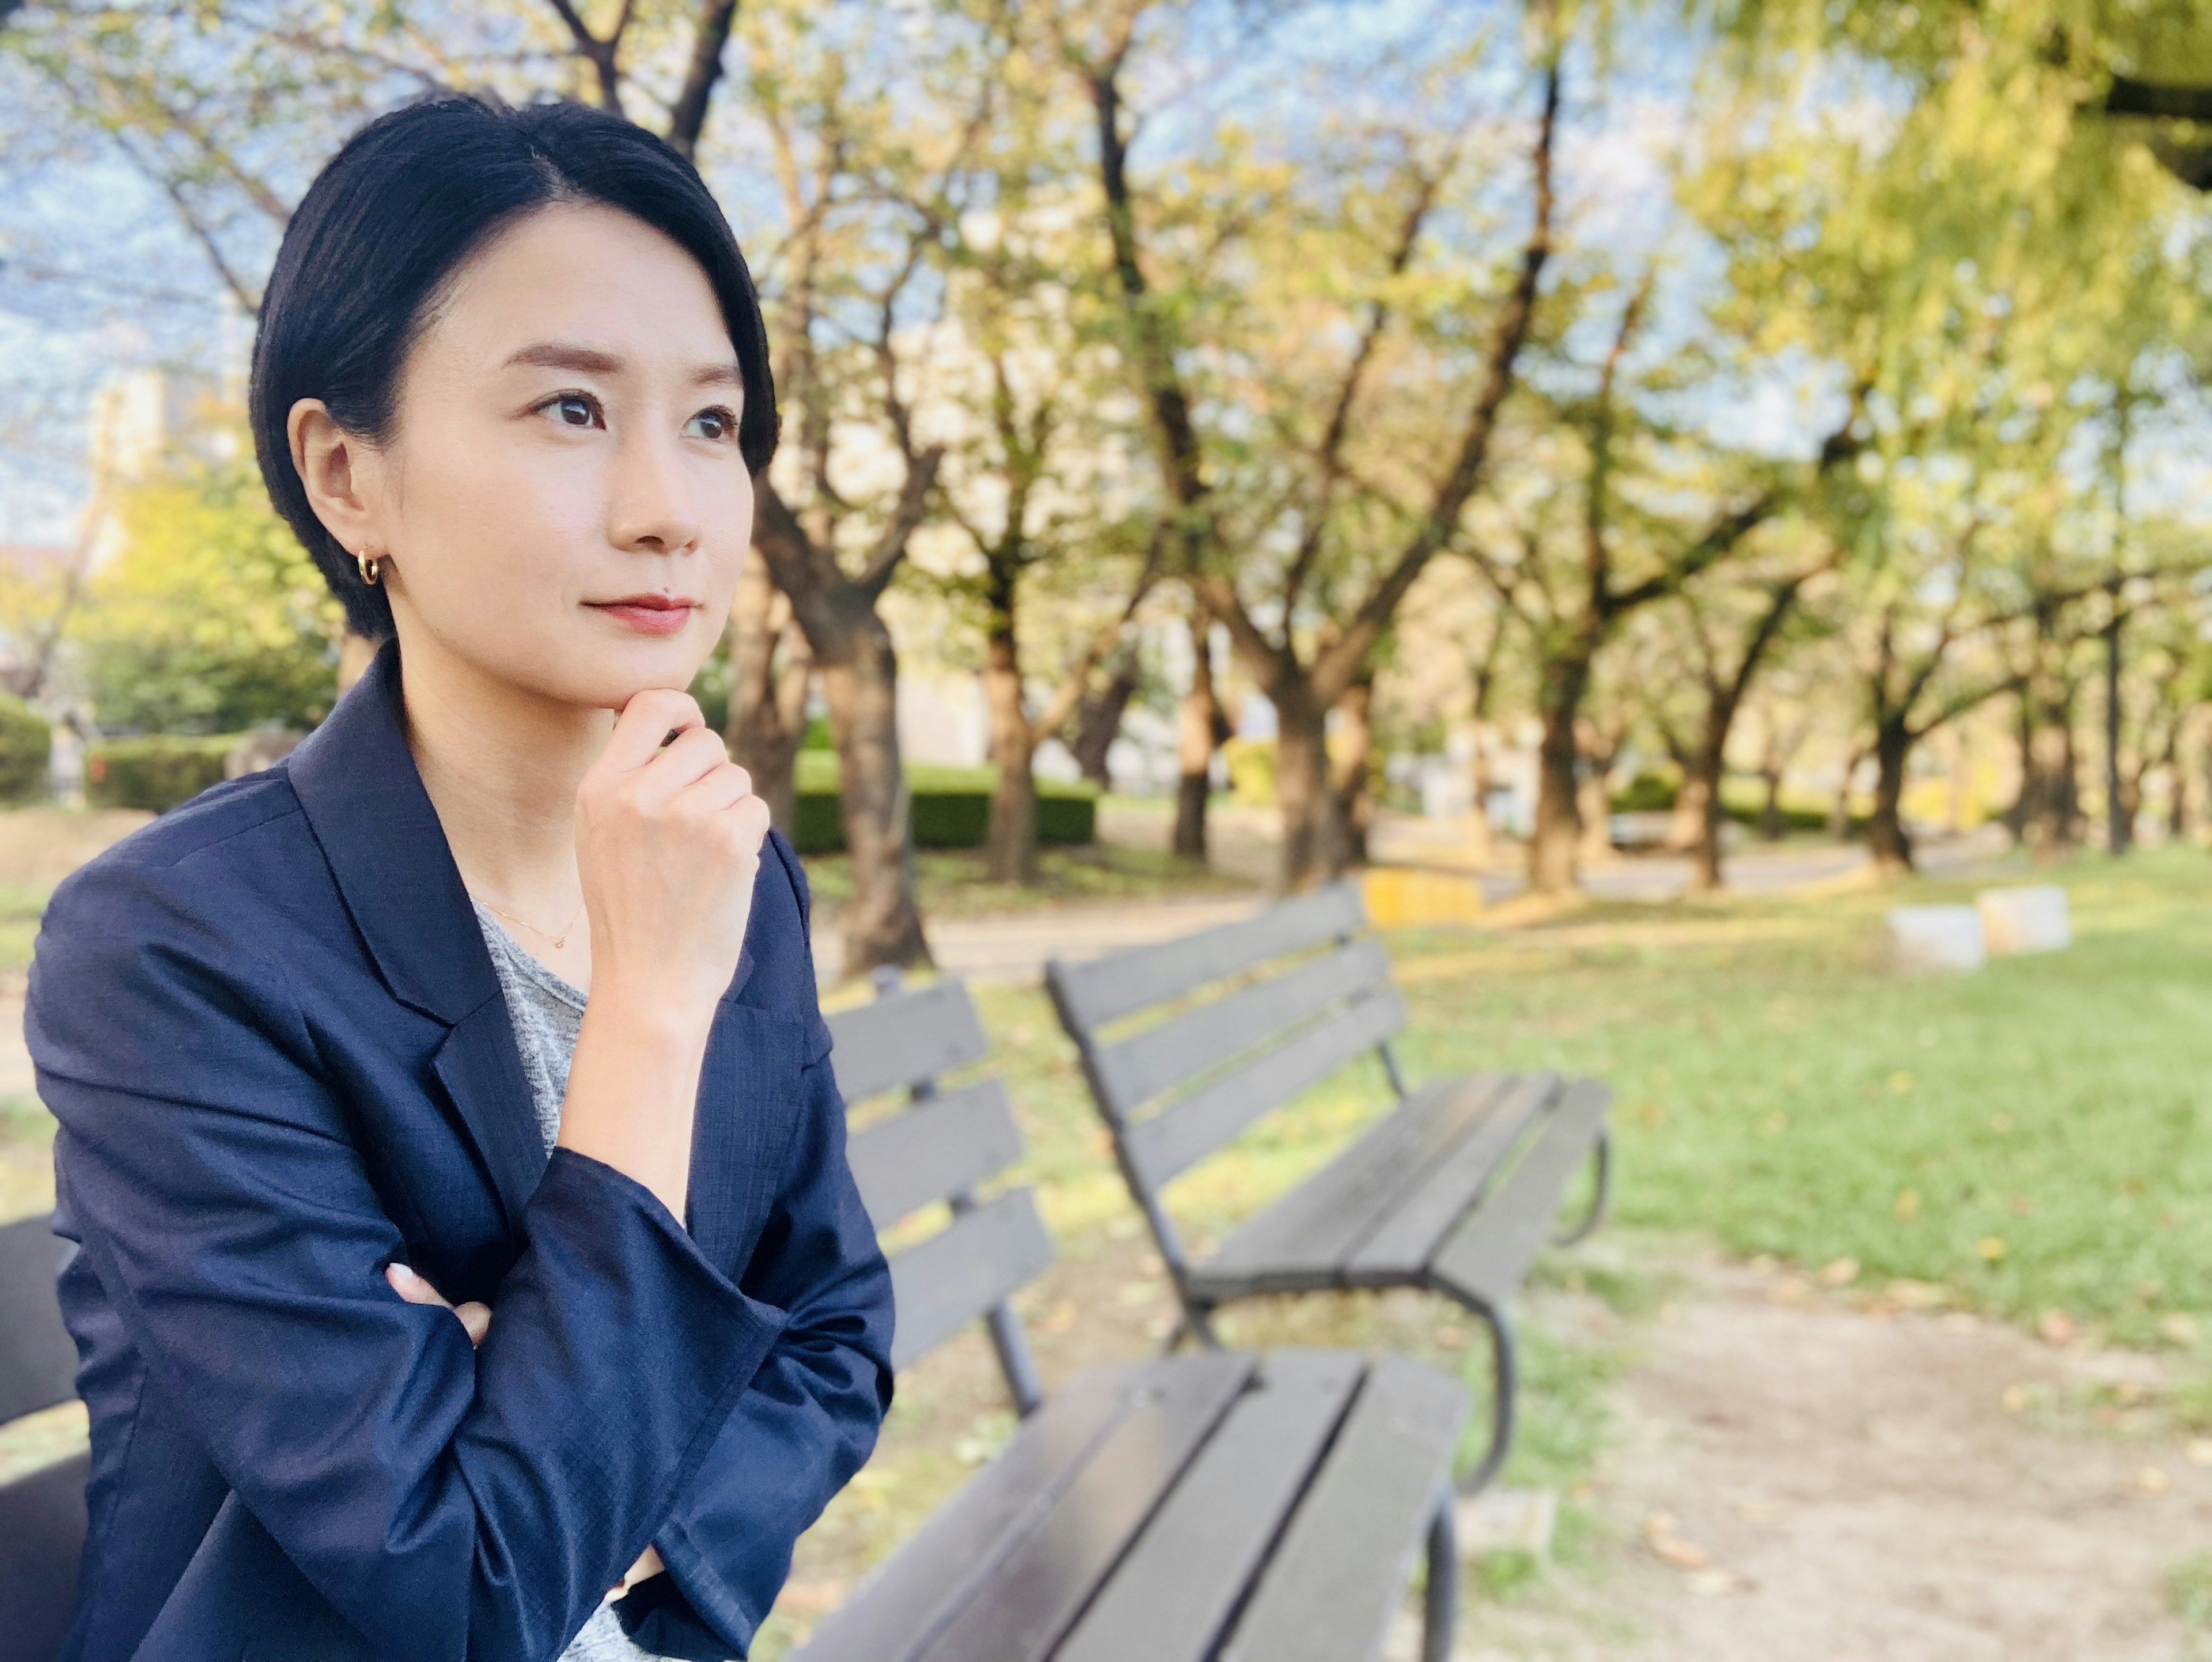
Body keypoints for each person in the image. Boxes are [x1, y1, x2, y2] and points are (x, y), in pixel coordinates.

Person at [25, 92, 893, 1662]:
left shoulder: (727, 866)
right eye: (570, 410)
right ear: (346, 475)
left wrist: (552, 1435)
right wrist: (644, 1013)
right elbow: (468, 1587)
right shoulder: (172, 948)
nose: (668, 508)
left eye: (712, 423)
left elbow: (837, 1340)